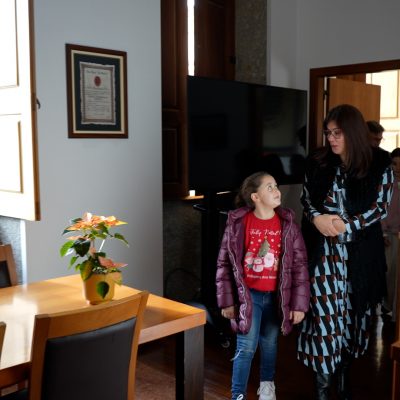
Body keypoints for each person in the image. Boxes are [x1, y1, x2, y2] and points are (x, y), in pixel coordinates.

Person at [297, 104, 394, 400]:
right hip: (324, 256)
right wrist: (317, 219)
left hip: (360, 257)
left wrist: (346, 225)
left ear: (352, 132)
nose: (331, 139)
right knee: (324, 321)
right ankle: (322, 392)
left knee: (353, 321)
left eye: (337, 133)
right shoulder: (317, 161)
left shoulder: (380, 162)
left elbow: (380, 207)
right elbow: (306, 198)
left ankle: (343, 383)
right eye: (328, 133)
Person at [215, 171, 310, 400]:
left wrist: (298, 305)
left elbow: (300, 267)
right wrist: (227, 301)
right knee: (246, 346)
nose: (277, 191)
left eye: (276, 186)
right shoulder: (238, 224)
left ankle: (267, 386)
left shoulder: (288, 225)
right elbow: (224, 264)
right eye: (270, 187)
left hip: (277, 297)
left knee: (269, 343)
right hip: (248, 296)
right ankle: (237, 394)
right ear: (255, 197)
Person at [381, 147, 400, 322]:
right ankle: (387, 306)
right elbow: (379, 211)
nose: (398, 168)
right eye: (395, 164)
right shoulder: (386, 183)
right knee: (389, 273)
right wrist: (383, 233)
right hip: (389, 235)